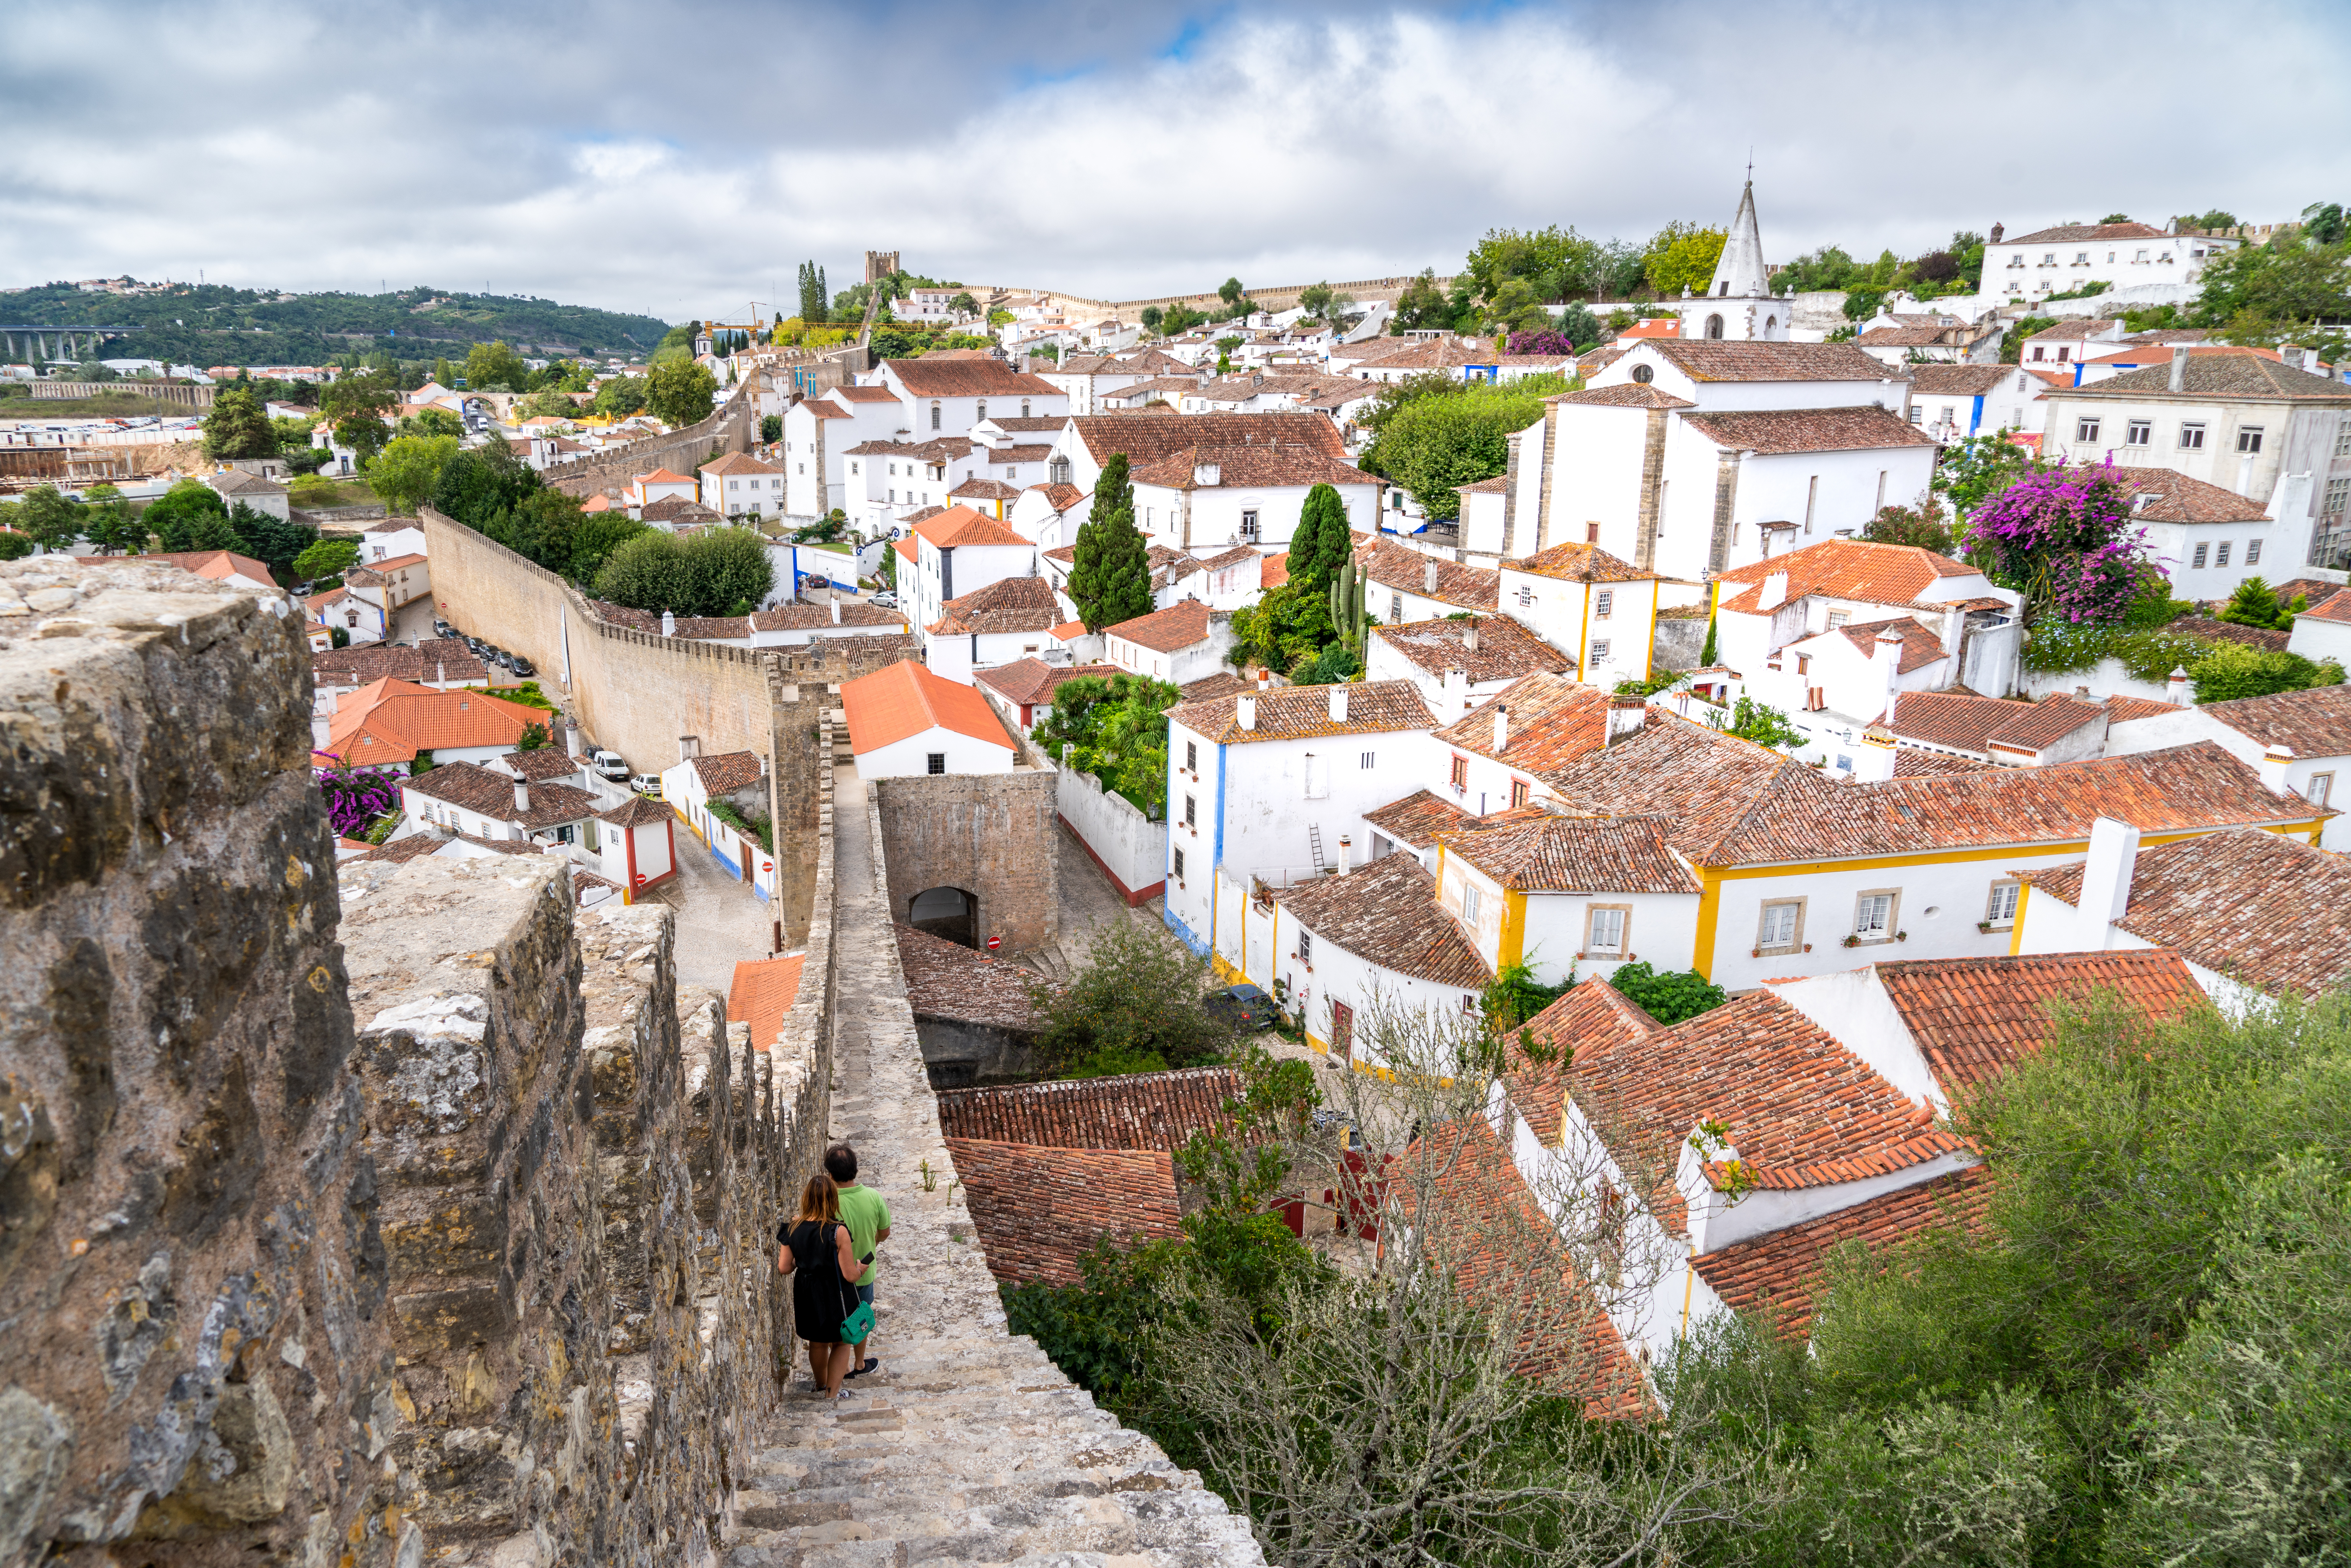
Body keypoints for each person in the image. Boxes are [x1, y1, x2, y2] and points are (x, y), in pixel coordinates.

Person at [775, 1172, 863, 1398]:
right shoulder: (838, 1231)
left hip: (807, 1291)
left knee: (816, 1342)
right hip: (834, 1291)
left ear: (807, 1198)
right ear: (833, 1199)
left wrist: (803, 1260)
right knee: (842, 1342)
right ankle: (832, 1395)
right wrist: (861, 1268)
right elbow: (849, 1274)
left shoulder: (793, 1228)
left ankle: (821, 1384)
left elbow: (784, 1267)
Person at [826, 1144, 891, 1379]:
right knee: (861, 1315)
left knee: (838, 1318)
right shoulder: (873, 1197)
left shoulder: (827, 1202)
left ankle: (841, 1367)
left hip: (835, 1274)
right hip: (864, 1272)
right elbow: (885, 1232)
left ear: (830, 1175)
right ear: (855, 1170)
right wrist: (871, 1241)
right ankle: (860, 1363)